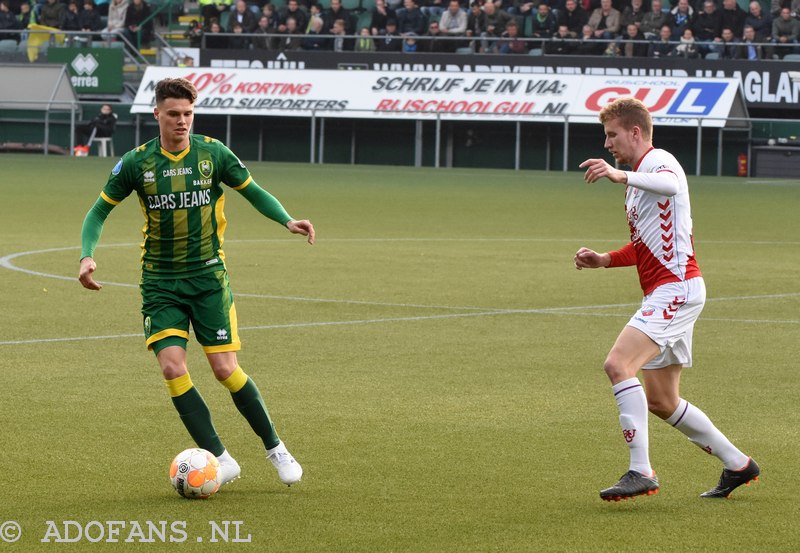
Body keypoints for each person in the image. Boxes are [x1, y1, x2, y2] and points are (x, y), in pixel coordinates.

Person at [78, 78, 315, 491]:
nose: (182, 121)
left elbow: (253, 191)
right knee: (172, 366)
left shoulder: (213, 154)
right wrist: (87, 254)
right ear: (157, 114)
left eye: (188, 114)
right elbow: (97, 212)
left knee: (225, 369)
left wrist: (286, 219)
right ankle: (221, 460)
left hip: (208, 278)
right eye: (173, 114)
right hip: (160, 282)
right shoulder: (137, 163)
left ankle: (275, 447)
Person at [575, 97, 760, 502]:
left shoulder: (661, 161)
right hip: (670, 291)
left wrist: (621, 178)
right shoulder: (638, 179)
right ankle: (738, 464)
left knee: (617, 364)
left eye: (612, 135)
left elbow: (672, 185)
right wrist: (605, 260)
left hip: (676, 290)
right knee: (662, 400)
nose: (608, 144)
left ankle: (640, 470)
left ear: (635, 132)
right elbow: (645, 245)